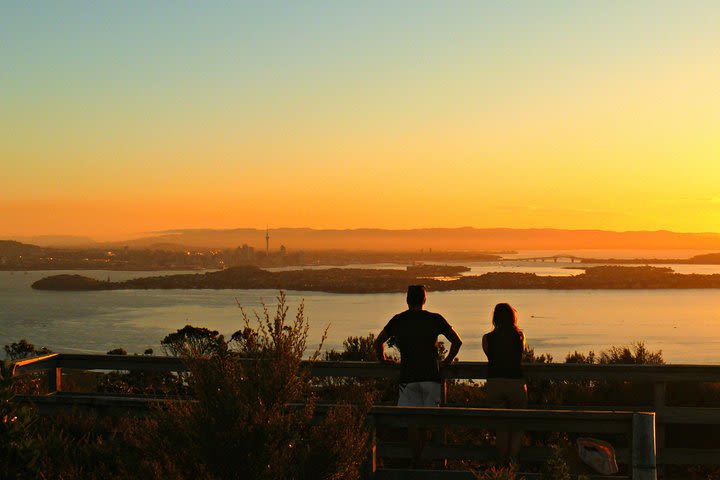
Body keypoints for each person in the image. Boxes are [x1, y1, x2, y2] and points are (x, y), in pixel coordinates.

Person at [374, 285, 463, 467]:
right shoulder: (435, 319)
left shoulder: (398, 320)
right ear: (424, 300)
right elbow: (457, 341)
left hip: (408, 378)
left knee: (412, 423)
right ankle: (430, 463)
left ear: (407, 300)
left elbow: (378, 341)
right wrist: (446, 362)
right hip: (431, 376)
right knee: (428, 421)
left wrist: (382, 359)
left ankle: (416, 460)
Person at [482, 302, 527, 466]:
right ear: (513, 318)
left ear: (495, 319)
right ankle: (512, 465)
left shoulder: (487, 338)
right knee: (517, 427)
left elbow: (489, 355)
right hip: (516, 383)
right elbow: (521, 352)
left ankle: (501, 467)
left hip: (495, 383)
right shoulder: (520, 336)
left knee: (501, 428)